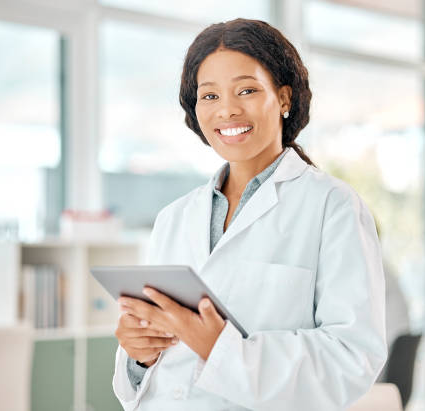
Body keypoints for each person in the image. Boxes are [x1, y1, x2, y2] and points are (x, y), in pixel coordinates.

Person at [112, 18, 387, 410]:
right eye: (209, 96)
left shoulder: (333, 207)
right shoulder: (173, 218)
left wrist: (222, 349)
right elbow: (150, 377)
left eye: (247, 90)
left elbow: (352, 358)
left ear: (285, 98)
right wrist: (140, 356)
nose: (227, 110)